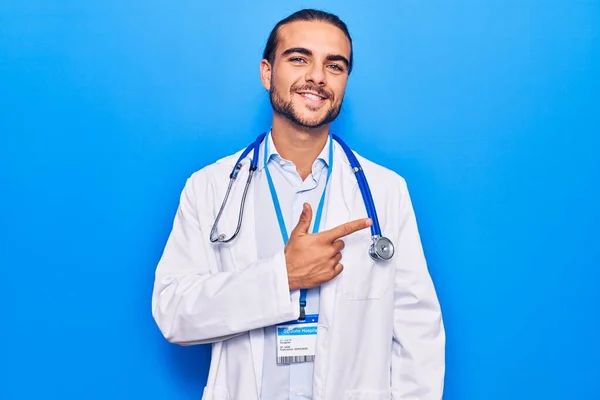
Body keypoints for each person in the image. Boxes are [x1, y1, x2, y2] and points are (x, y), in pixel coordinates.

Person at [151, 8, 445, 400]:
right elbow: (173, 313)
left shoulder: (386, 191)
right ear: (267, 72)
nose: (318, 77)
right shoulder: (210, 187)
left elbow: (418, 332)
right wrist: (283, 276)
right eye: (299, 59)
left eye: (335, 66)